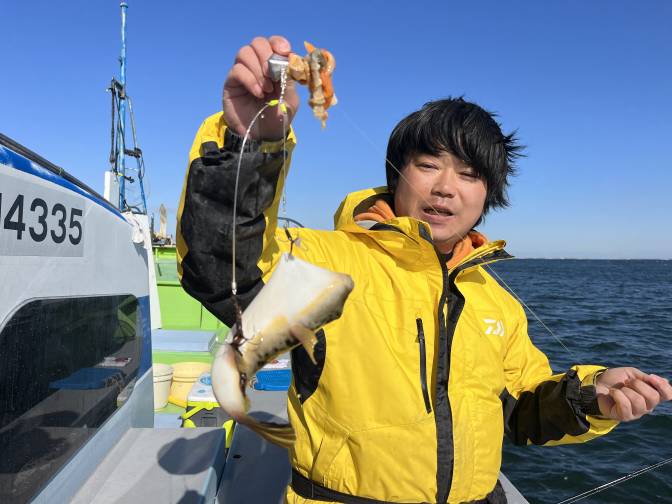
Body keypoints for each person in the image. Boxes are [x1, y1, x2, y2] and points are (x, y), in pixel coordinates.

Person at [176, 36, 672, 504]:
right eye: (429, 164)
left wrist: (590, 397)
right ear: (396, 174)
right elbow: (224, 268)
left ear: (488, 196)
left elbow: (522, 411)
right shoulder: (328, 265)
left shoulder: (495, 302)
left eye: (470, 174)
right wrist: (248, 144)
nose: (445, 188)